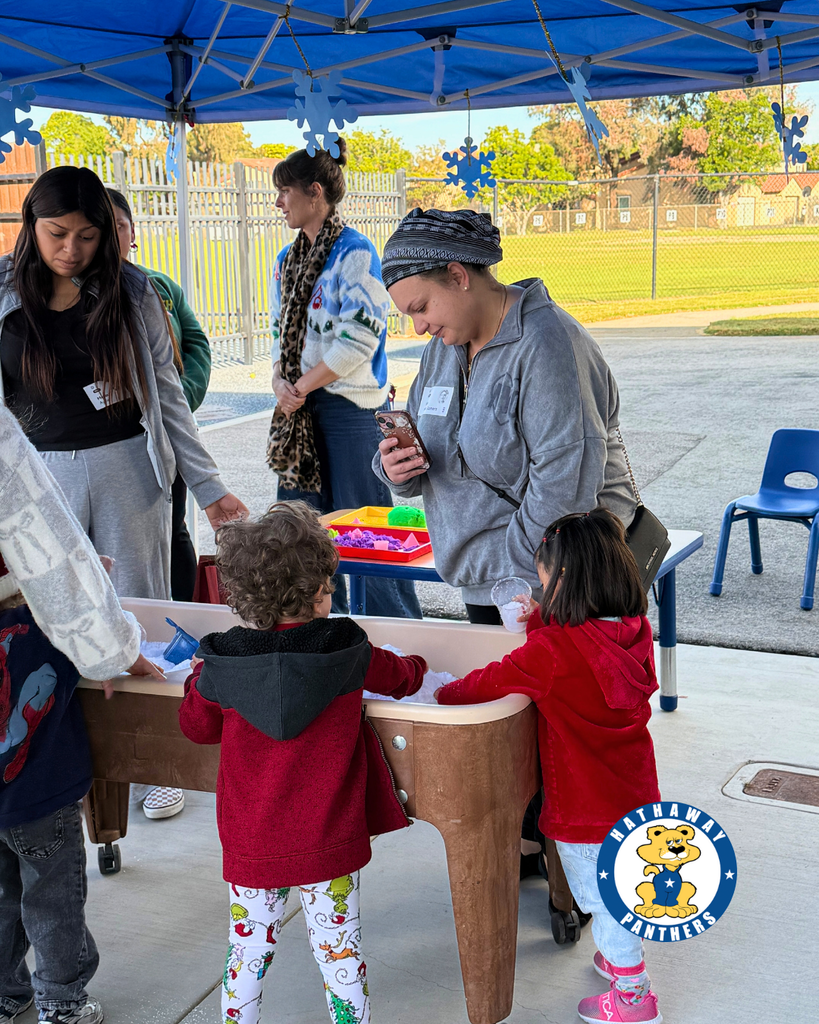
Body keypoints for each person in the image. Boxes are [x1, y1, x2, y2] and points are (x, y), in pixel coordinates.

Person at [178, 501, 427, 1024]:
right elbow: (404, 678)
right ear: (317, 593)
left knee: (246, 953)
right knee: (339, 955)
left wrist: (195, 681)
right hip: (327, 842)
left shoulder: (222, 663)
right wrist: (419, 661)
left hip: (253, 842)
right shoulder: (346, 648)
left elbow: (197, 728)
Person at [436, 508, 663, 1024]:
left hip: (585, 805)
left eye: (542, 579)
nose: (539, 589)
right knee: (622, 884)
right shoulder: (634, 629)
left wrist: (441, 693)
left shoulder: (551, 653)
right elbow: (587, 647)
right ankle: (617, 960)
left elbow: (487, 682)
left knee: (604, 899)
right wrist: (539, 621)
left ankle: (634, 998)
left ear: (564, 580)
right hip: (633, 791)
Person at [373, 207, 636, 624]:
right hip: (489, 580)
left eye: (421, 307)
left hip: (553, 587)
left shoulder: (549, 346)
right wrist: (395, 467)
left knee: (543, 691)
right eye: (408, 315)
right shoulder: (443, 349)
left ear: (459, 277)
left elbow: (566, 485)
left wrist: (512, 571)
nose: (419, 327)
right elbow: (431, 445)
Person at [0, 165, 247, 604]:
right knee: (53, 609)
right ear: (30, 224)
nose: (70, 250)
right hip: (39, 473)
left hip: (128, 471)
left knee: (138, 608)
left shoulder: (133, 289)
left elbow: (167, 394)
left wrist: (208, 486)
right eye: (56, 233)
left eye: (87, 236)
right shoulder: (3, 288)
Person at [0, 402, 164, 1024]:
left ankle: (7, 993)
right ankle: (62, 1001)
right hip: (37, 781)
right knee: (51, 893)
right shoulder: (33, 619)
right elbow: (54, 558)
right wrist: (117, 645)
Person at [268, 143, 421, 618]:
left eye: (284, 192)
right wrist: (280, 382)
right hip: (300, 410)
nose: (278, 203)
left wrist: (300, 387)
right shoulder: (284, 261)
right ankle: (310, 629)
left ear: (315, 193)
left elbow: (360, 338)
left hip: (349, 411)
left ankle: (396, 636)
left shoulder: (355, 252)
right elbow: (279, 332)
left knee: (367, 533)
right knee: (299, 533)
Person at [107, 187, 212, 603]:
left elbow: (197, 346)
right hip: (117, 445)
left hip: (170, 430)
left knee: (175, 528)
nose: (111, 235)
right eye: (102, 226)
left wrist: (179, 398)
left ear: (133, 232)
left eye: (119, 225)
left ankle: (185, 615)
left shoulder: (158, 287)